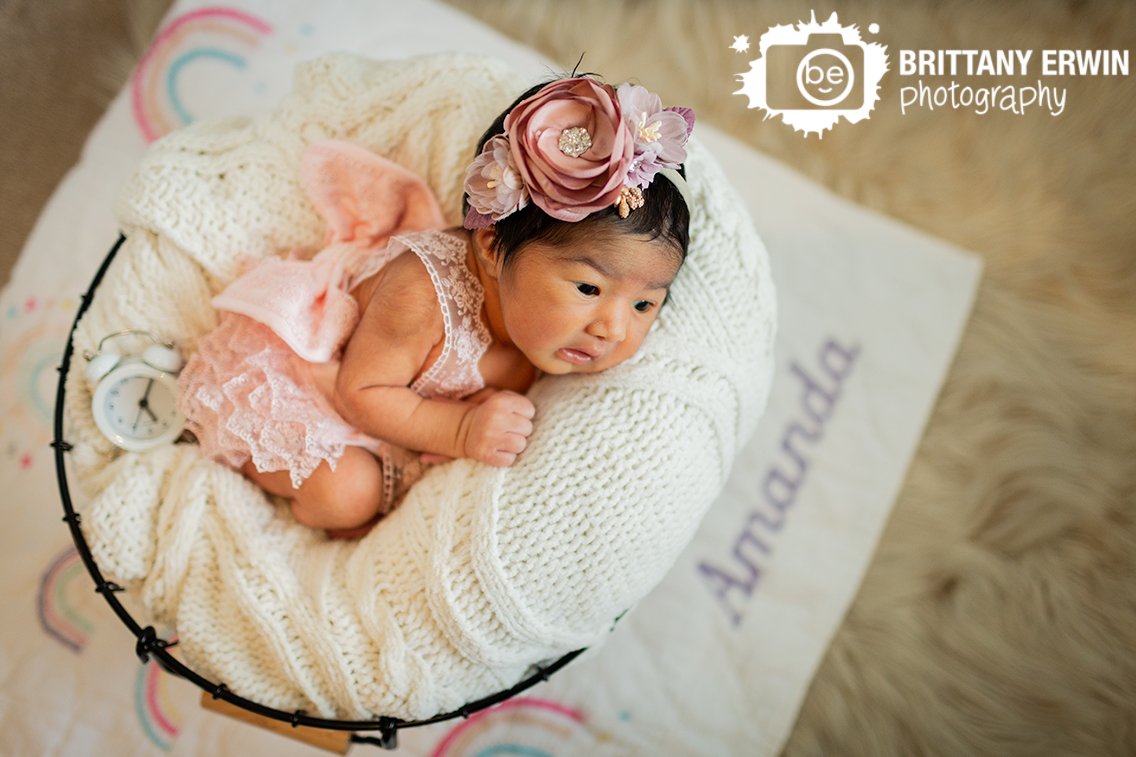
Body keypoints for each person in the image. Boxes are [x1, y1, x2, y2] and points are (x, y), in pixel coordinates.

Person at [177, 74, 696, 538]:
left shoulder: (544, 335)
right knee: (348, 492)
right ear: (493, 247)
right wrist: (462, 431)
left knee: (365, 484)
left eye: (646, 304)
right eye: (588, 289)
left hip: (394, 416)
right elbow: (360, 392)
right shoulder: (422, 293)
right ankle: (245, 474)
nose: (612, 327)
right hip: (311, 385)